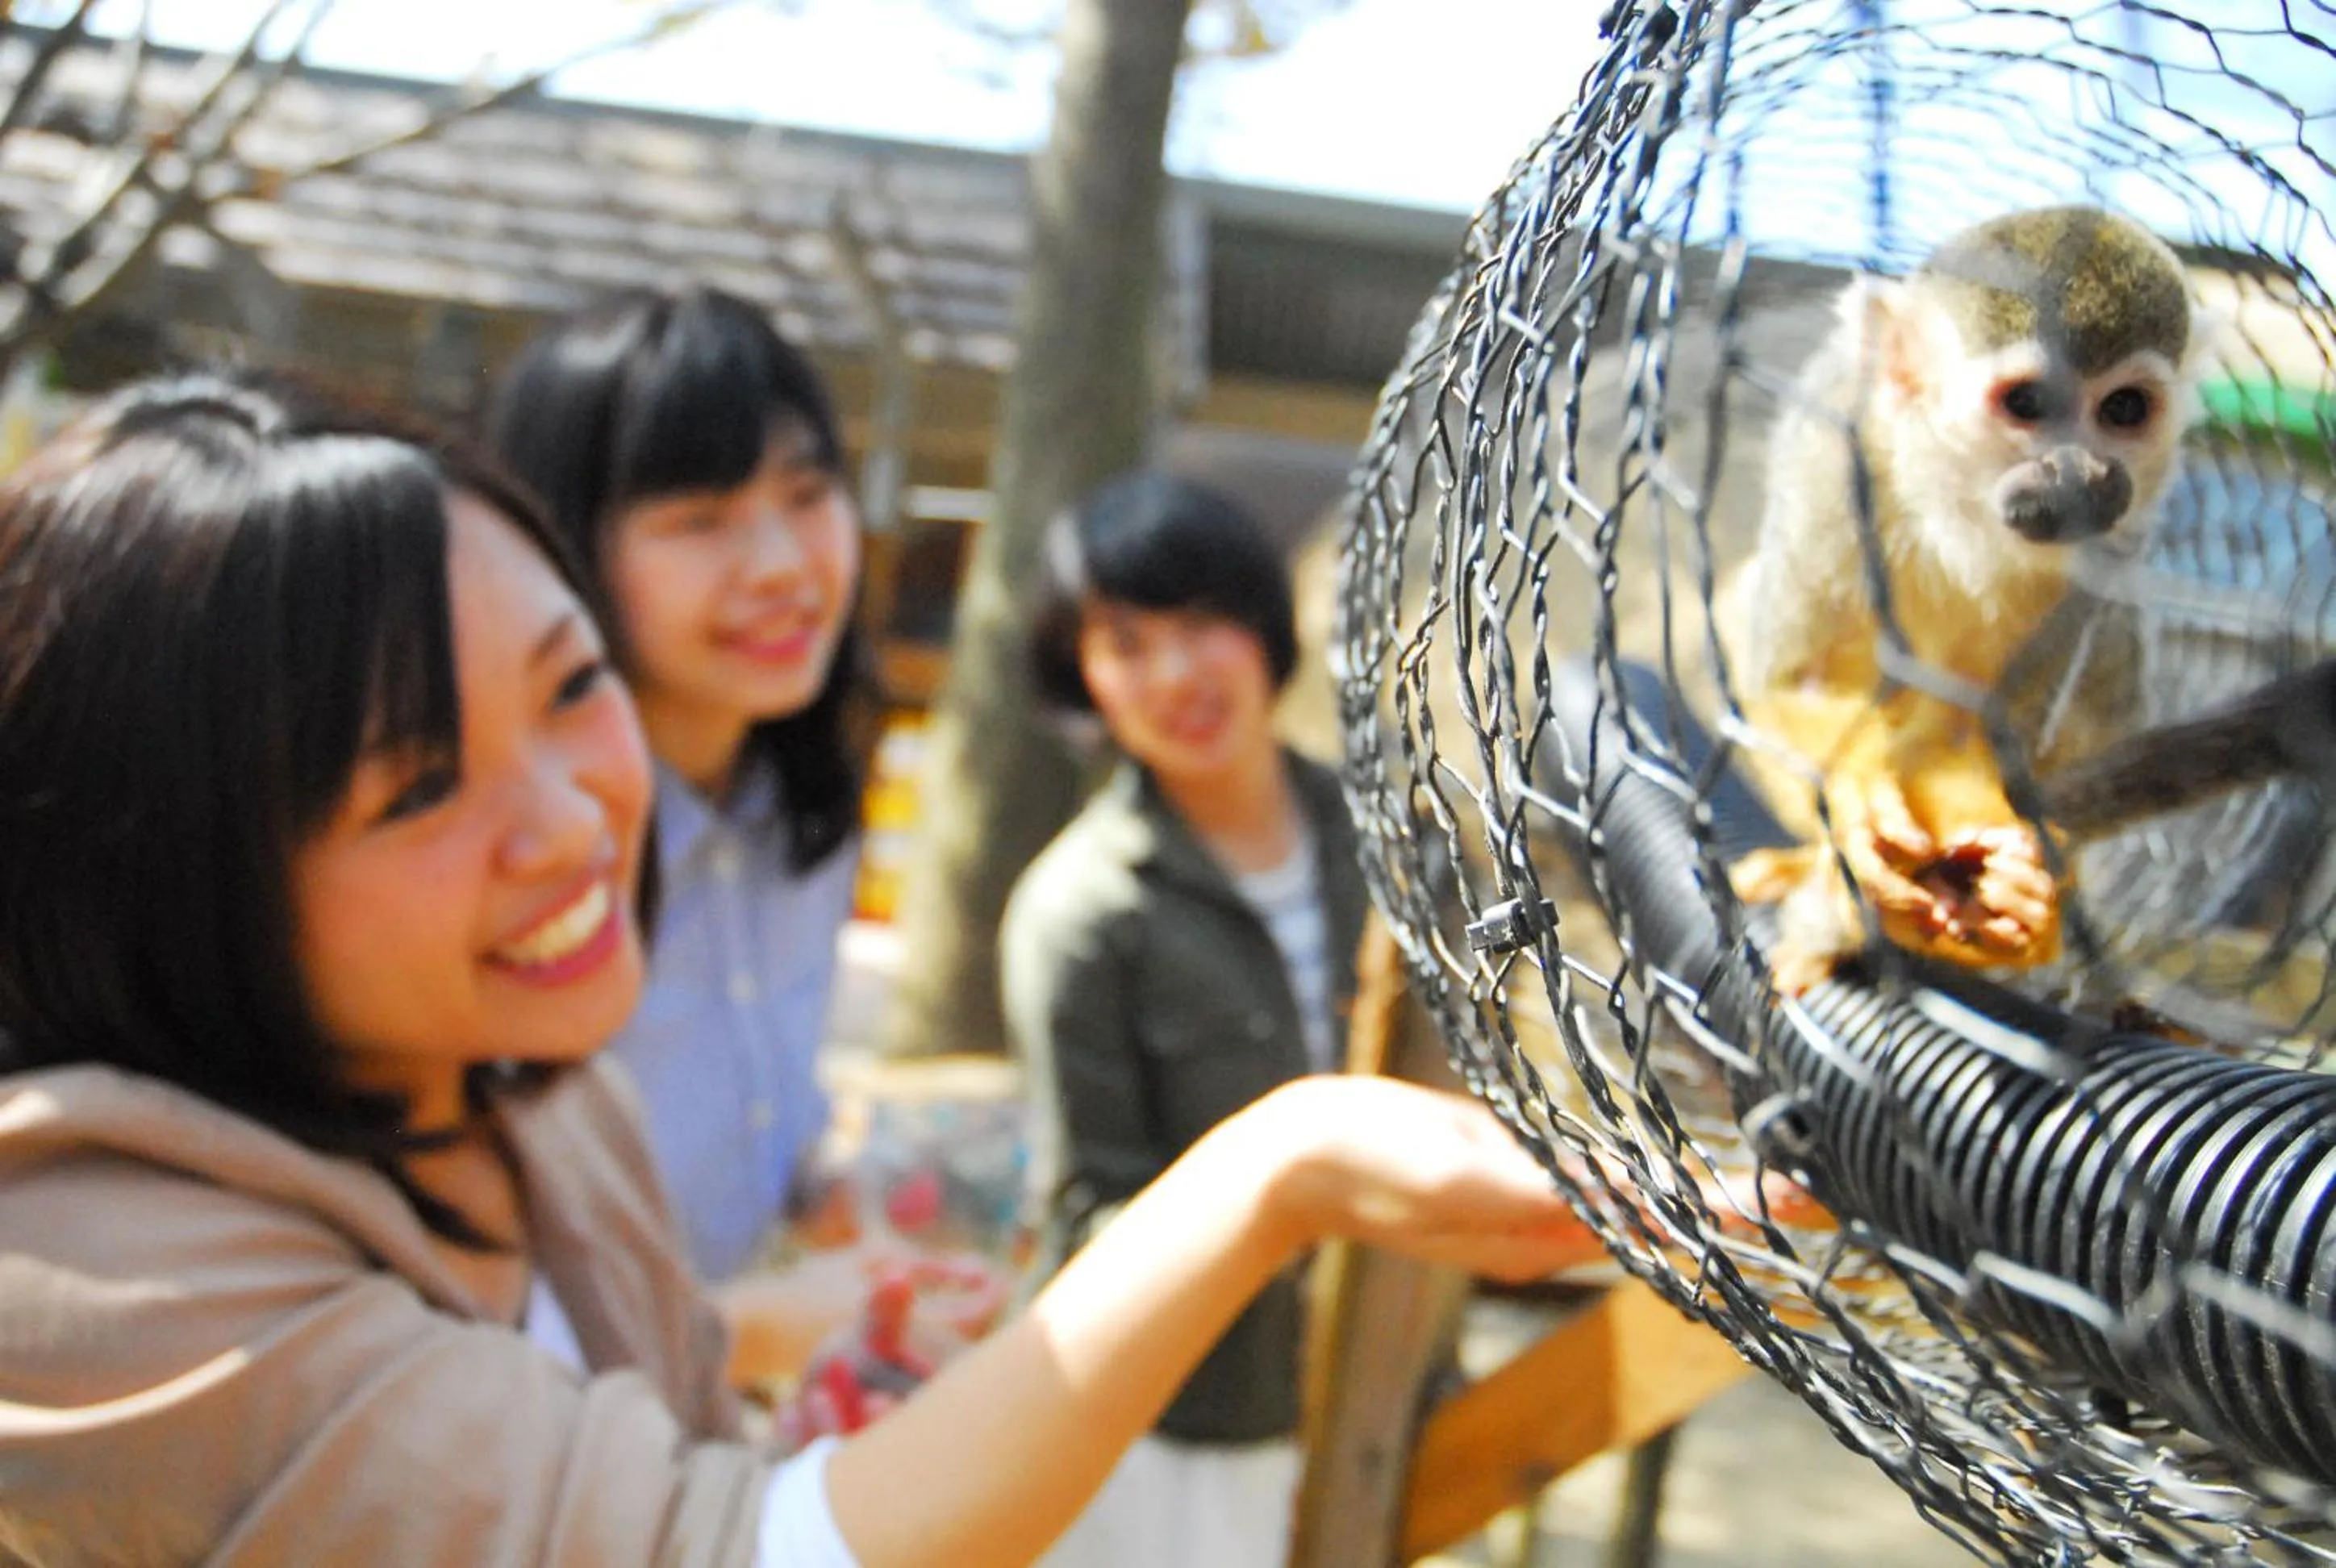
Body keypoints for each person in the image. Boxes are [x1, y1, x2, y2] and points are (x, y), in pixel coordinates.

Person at [0, 371, 1600, 1566]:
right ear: (172, 861)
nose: (571, 823)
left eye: (569, 692)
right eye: (419, 785)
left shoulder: (537, 1102)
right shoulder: (87, 1274)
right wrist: (1276, 1172)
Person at [483, 286, 916, 1370]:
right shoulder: (506, 861)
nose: (780, 565)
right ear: (560, 548)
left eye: (807, 494)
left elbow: (763, 1097)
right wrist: (751, 1331)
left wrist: (827, 1191)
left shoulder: (799, 810)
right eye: (699, 520)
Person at [1003, 472, 1366, 1568]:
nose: (1175, 674)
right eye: (1125, 642)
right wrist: (1277, 1204)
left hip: (1372, 1376)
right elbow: (1090, 1214)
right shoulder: (1082, 914)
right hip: (1181, 1429)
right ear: (1085, 680)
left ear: (1260, 626)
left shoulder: (1388, 840)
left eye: (1202, 622)